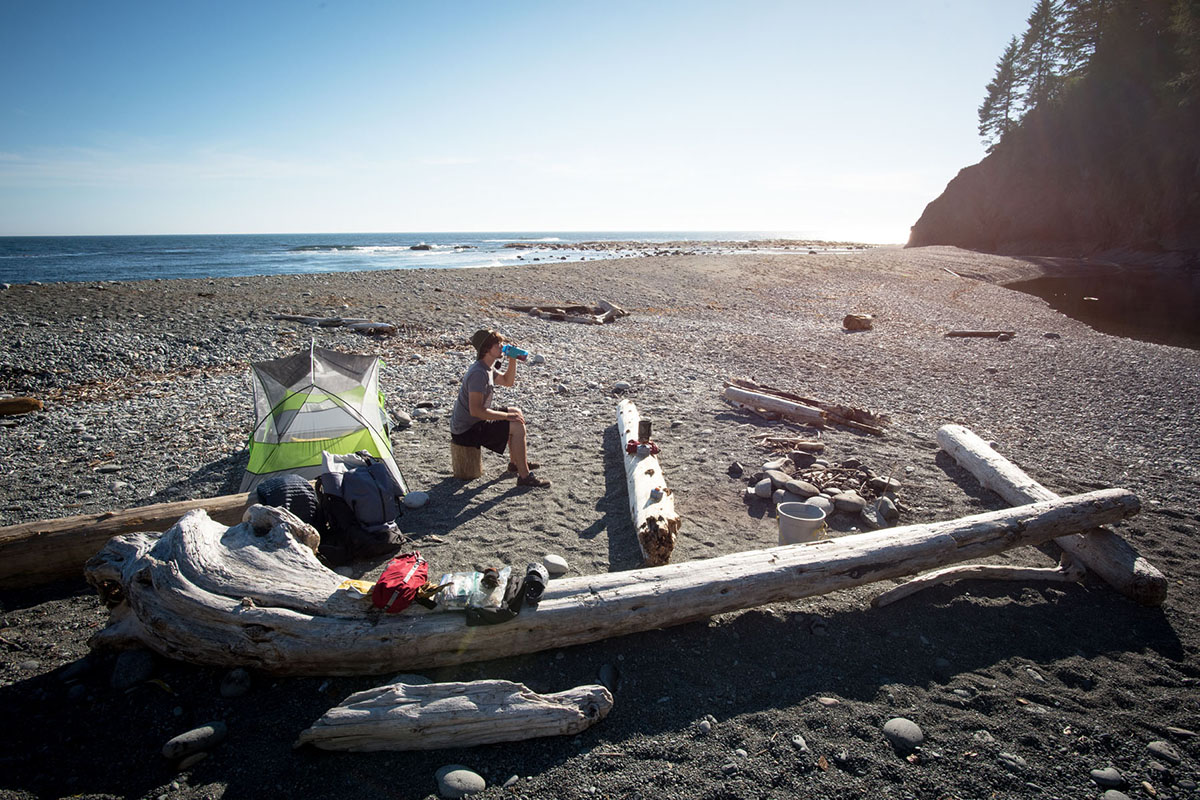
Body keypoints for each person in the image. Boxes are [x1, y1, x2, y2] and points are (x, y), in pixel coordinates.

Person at [450, 329, 550, 488]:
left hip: (475, 422)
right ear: (487, 349)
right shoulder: (479, 373)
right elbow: (476, 411)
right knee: (516, 425)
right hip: (466, 430)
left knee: (516, 411)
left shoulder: (487, 367)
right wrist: (505, 417)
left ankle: (515, 464)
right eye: (498, 344)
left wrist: (513, 359)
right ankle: (524, 477)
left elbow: (507, 381)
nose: (502, 347)